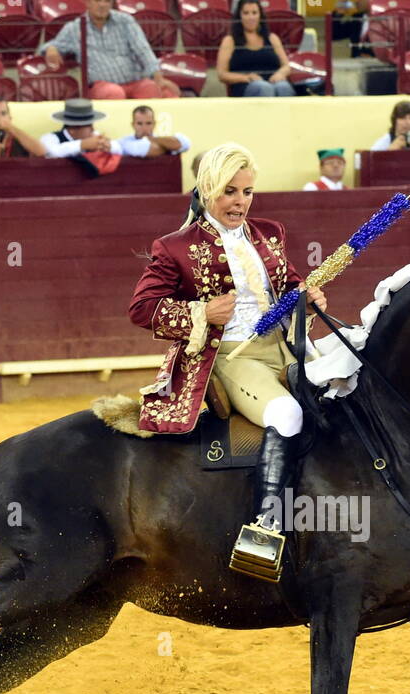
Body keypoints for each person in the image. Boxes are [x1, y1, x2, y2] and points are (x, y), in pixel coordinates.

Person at [127, 143, 327, 579]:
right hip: (231, 358)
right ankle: (265, 527)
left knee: (350, 388)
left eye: (248, 192)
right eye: (230, 192)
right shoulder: (175, 246)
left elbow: (288, 282)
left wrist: (305, 298)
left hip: (287, 345)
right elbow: (142, 308)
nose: (240, 202)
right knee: (286, 412)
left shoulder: (268, 232)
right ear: (207, 189)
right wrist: (201, 313)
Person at [43, 0, 181, 100]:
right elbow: (52, 45)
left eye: (107, 1)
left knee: (152, 89)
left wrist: (158, 78)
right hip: (102, 86)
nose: (102, 5)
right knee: (114, 93)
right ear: (87, 3)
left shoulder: (126, 21)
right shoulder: (75, 28)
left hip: (135, 80)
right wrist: (52, 49)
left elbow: (143, 49)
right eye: (97, 1)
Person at [216, 0, 295, 97]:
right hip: (245, 86)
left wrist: (280, 74)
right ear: (239, 16)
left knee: (284, 87)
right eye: (246, 13)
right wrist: (246, 77)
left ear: (260, 16)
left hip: (273, 81)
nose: (251, 17)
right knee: (264, 88)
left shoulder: (272, 38)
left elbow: (286, 66)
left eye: (254, 13)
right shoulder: (230, 41)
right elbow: (222, 74)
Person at [40, 98, 112, 159]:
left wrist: (104, 147)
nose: (92, 129)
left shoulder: (95, 135)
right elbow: (53, 153)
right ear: (72, 130)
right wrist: (82, 145)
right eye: (88, 125)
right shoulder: (50, 138)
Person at [113, 105, 191, 157]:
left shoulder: (159, 139)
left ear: (154, 124)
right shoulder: (123, 142)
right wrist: (166, 146)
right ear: (133, 125)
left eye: (148, 123)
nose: (144, 128)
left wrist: (152, 139)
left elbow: (185, 143)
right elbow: (146, 149)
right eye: (139, 124)